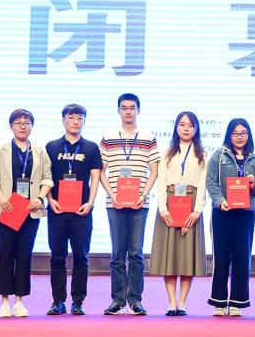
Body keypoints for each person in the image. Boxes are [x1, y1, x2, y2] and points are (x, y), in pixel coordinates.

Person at [0, 109, 53, 318]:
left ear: (32, 126)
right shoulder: (1, 150)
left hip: (30, 210)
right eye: (18, 122)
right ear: (11, 126)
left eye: (26, 122)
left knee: (25, 254)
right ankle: (4, 301)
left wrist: (40, 198)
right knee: (6, 253)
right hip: (7, 208)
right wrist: (1, 197)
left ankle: (19, 301)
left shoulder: (40, 152)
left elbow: (47, 178)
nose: (22, 126)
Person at [99, 93, 160, 316]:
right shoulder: (107, 138)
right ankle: (117, 300)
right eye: (124, 108)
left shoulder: (148, 137)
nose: (128, 111)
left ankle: (135, 300)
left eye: (132, 107)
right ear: (118, 111)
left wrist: (143, 194)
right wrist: (112, 194)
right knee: (117, 254)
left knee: (136, 253)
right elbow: (101, 171)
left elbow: (154, 171)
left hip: (139, 204)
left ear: (138, 111)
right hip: (114, 203)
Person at [149, 111, 209, 315]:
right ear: (176, 127)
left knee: (186, 256)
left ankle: (182, 302)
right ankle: (171, 301)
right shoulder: (167, 153)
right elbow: (161, 181)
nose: (186, 128)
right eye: (182, 124)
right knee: (170, 256)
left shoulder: (202, 154)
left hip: (191, 205)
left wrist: (197, 210)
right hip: (169, 205)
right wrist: (162, 207)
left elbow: (203, 184)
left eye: (190, 125)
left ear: (196, 129)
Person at [44, 104, 102, 316]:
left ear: (84, 121)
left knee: (81, 257)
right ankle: (58, 301)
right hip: (57, 211)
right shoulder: (51, 147)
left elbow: (95, 177)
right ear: (63, 120)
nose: (75, 122)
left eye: (79, 118)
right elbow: (45, 177)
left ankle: (78, 301)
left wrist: (90, 203)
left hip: (82, 212)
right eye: (71, 117)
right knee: (57, 257)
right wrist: (50, 199)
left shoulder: (91, 148)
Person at [206, 118, 255, 316]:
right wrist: (220, 201)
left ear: (248, 135)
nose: (239, 137)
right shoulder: (218, 155)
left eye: (243, 133)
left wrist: (253, 185)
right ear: (229, 135)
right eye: (235, 133)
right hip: (223, 212)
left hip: (245, 214)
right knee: (221, 257)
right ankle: (219, 302)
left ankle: (238, 302)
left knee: (242, 257)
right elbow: (211, 182)